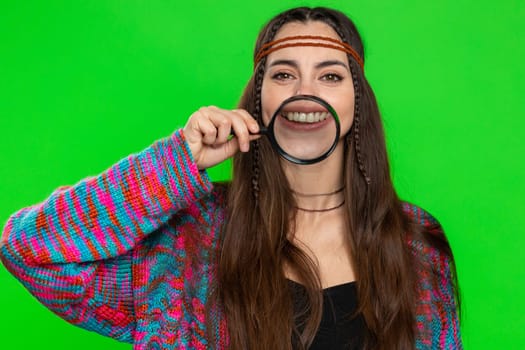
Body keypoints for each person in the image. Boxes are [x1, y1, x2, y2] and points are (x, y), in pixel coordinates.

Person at [0, 6, 462, 350]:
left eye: (330, 75)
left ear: (357, 103)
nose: (305, 92)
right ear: (258, 99)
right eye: (284, 73)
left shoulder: (416, 243)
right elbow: (26, 250)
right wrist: (174, 163)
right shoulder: (188, 241)